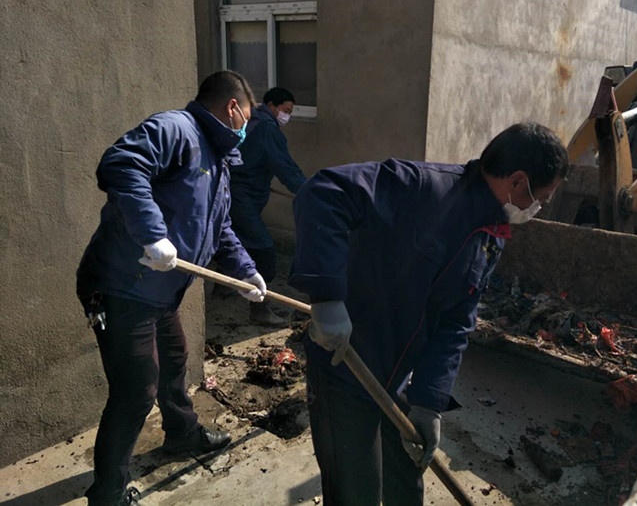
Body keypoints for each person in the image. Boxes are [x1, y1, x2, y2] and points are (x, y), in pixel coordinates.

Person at [289, 122, 569, 505]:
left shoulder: (490, 236)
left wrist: (429, 400)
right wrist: (326, 296)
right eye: (542, 198)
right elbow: (323, 192)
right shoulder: (421, 187)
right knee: (355, 489)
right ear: (518, 182)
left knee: (406, 481)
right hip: (346, 367)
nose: (538, 208)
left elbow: (456, 323)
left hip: (400, 381)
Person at [76, 70, 268, 506]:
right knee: (136, 391)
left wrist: (246, 273)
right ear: (233, 108)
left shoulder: (217, 161)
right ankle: (107, 494)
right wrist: (152, 234)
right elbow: (121, 163)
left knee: (175, 362)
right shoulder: (176, 129)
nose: (245, 128)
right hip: (121, 287)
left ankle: (182, 434)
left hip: (160, 292)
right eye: (247, 117)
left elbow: (219, 229)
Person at [229, 87, 307, 324]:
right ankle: (260, 310)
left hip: (234, 192)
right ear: (271, 105)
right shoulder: (266, 129)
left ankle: (223, 290)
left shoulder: (250, 120)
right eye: (285, 110)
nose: (287, 116)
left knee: (235, 242)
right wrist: (309, 192)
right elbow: (285, 167)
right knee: (263, 250)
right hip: (241, 197)